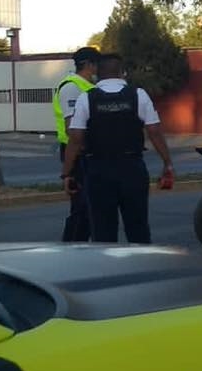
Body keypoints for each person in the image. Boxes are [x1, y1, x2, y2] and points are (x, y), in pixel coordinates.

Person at [60, 53, 174, 244]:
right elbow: (154, 131)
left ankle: (107, 261)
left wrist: (67, 173)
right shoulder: (138, 95)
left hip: (99, 171)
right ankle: (140, 260)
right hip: (132, 168)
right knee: (138, 228)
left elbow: (75, 138)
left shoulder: (86, 98)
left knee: (103, 231)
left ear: (98, 74)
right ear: (122, 73)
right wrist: (167, 163)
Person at [52, 46, 99, 241]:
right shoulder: (71, 87)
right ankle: (71, 247)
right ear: (88, 65)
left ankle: (83, 246)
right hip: (76, 152)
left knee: (91, 207)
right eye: (97, 65)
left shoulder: (88, 87)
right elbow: (72, 128)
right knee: (81, 207)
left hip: (86, 152)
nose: (99, 70)